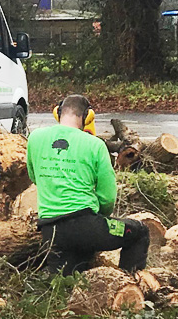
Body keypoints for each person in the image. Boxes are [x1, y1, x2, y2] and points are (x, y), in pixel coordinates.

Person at [25, 94, 149, 273]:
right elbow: (107, 197)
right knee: (139, 232)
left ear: (57, 113)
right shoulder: (95, 145)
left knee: (66, 282)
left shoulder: (35, 138)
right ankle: (129, 286)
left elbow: (34, 176)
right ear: (88, 116)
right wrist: (100, 219)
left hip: (50, 231)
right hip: (85, 226)